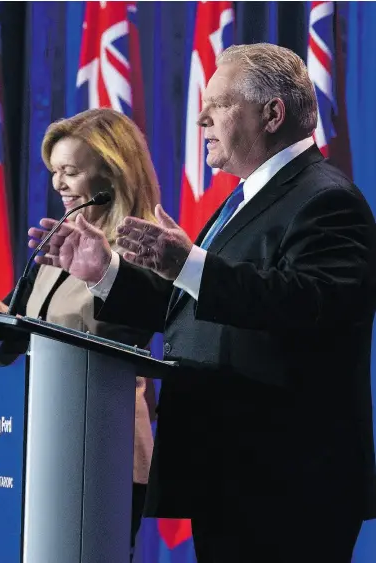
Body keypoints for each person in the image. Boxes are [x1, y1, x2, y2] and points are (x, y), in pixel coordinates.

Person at [29, 43, 376, 562]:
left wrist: (190, 264)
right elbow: (195, 311)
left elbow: (309, 304)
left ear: (272, 113)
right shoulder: (244, 199)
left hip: (288, 482)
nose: (200, 118)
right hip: (233, 472)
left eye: (218, 103)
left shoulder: (327, 200)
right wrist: (106, 273)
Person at [0, 107, 161, 553]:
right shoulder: (58, 244)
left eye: (70, 171)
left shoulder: (140, 247)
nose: (58, 184)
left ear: (110, 175)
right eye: (54, 171)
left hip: (101, 443)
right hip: (34, 435)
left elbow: (145, 320)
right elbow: (29, 328)